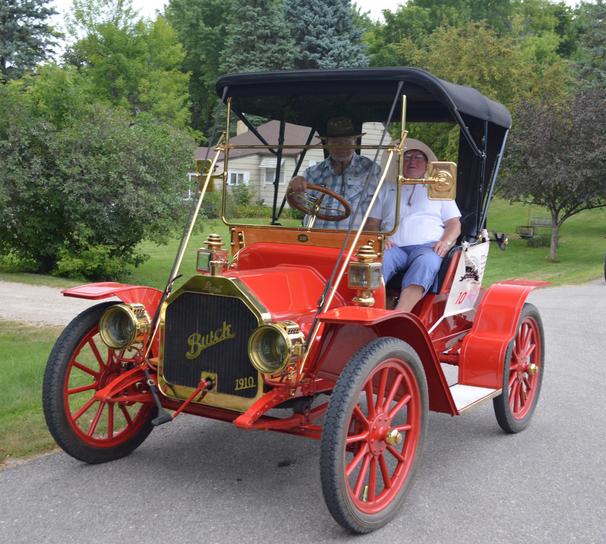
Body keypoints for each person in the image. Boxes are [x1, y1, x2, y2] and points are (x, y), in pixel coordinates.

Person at [368, 138, 461, 313]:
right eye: (408, 157)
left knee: (427, 262)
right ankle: (372, 309)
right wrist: (380, 238)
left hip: (427, 248)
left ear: (427, 164)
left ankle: (400, 313)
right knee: (376, 261)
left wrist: (446, 242)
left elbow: (454, 224)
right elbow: (372, 224)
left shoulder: (439, 188)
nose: (412, 161)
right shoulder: (386, 188)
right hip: (393, 246)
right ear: (400, 162)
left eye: (418, 157)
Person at [287, 117, 381, 229]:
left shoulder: (371, 169)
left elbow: (380, 205)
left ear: (355, 141)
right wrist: (295, 186)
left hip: (354, 240)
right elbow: (299, 204)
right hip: (316, 239)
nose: (341, 147)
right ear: (327, 143)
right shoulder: (313, 172)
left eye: (347, 141)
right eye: (335, 142)